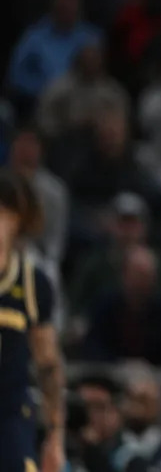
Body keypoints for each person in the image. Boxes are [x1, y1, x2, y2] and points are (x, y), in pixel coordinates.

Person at [0, 168, 66, 472]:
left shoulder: (31, 283)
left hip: (10, 413)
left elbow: (48, 365)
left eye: (5, 212)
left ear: (20, 221)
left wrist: (55, 437)